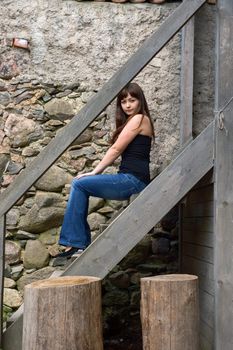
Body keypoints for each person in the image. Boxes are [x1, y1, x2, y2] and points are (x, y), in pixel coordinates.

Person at [55, 82, 155, 259]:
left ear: (140, 101)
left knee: (79, 184)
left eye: (132, 100)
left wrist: (95, 172)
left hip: (133, 180)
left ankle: (75, 243)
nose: (128, 105)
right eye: (124, 102)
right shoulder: (134, 121)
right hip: (129, 179)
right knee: (80, 185)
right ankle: (77, 242)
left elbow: (116, 150)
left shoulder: (140, 119)